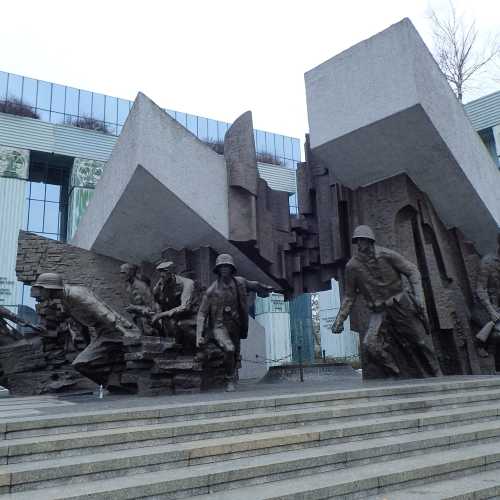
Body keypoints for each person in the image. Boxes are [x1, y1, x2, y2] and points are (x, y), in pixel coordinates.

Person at [331, 225, 442, 378]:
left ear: (371, 241)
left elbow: (412, 271)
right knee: (370, 344)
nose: (361, 245)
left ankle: (437, 371)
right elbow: (350, 296)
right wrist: (340, 319)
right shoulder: (352, 266)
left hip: (400, 303)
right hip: (379, 311)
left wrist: (419, 298)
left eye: (363, 240)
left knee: (420, 341)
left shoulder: (387, 255)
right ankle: (395, 371)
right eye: (358, 241)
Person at [31, 273, 138, 389]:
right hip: (103, 331)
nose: (40, 293)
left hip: (113, 330)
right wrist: (88, 345)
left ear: (50, 288)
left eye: (41, 289)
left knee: (81, 364)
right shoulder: (64, 299)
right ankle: (116, 384)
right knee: (83, 364)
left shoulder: (76, 294)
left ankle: (119, 385)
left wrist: (124, 333)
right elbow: (81, 324)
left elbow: (103, 313)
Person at [196, 253, 274, 391]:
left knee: (235, 353)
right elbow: (202, 313)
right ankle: (229, 379)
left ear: (232, 268)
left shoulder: (240, 282)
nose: (225, 269)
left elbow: (253, 285)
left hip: (236, 324)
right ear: (218, 269)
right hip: (219, 326)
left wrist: (265, 288)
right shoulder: (211, 291)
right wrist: (199, 335)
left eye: (227, 266)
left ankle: (231, 374)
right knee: (229, 348)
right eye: (222, 266)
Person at [151, 261, 196, 345]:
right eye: (160, 276)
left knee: (181, 325)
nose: (161, 279)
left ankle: (196, 348)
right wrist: (158, 313)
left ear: (171, 274)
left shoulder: (187, 283)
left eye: (163, 275)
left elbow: (185, 307)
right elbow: (157, 301)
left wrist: (161, 315)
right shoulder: (161, 285)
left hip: (191, 316)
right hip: (174, 316)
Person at [474, 233, 500, 355]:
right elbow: (480, 289)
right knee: (496, 335)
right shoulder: (487, 262)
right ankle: (482, 345)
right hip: (490, 308)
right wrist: (492, 311)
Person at [120, 263, 155, 336]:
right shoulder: (129, 288)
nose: (121, 275)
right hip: (138, 321)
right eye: (121, 273)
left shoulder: (141, 286)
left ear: (131, 273)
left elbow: (152, 308)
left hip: (148, 323)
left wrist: (134, 308)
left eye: (124, 273)